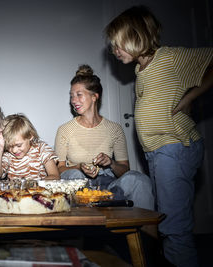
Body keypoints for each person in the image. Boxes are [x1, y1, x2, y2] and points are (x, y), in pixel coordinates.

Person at [105, 5, 213, 267]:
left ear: (137, 36)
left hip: (174, 146)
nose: (114, 51)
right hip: (156, 152)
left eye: (118, 45)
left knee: (173, 225)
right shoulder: (139, 70)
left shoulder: (170, 58)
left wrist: (191, 97)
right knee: (164, 217)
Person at [54, 64, 154, 210]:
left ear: (95, 96)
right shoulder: (65, 130)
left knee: (140, 180)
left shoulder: (114, 129)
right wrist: (80, 167)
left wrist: (111, 163)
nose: (73, 100)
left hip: (109, 185)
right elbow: (58, 170)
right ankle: (85, 223)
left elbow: (125, 170)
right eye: (71, 96)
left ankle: (146, 231)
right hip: (79, 185)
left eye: (79, 94)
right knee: (75, 174)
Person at [0, 113, 59, 180]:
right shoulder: (8, 155)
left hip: (39, 189)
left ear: (30, 136)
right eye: (10, 146)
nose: (14, 150)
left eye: (19, 145)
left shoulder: (42, 149)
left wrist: (34, 185)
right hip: (14, 190)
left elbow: (55, 176)